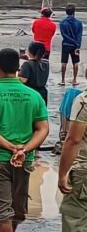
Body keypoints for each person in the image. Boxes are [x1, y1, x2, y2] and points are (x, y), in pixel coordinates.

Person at [0, 48, 49, 232]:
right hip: (24, 160)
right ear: (17, 69)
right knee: (15, 212)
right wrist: (24, 150)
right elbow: (43, 129)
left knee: (1, 213)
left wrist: (11, 147)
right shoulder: (34, 95)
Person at [59, 90, 87, 230]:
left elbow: (73, 140)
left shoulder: (84, 100)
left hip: (84, 171)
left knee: (75, 220)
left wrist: (62, 174)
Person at [60, 4, 83, 86]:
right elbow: (79, 35)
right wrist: (77, 45)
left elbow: (63, 34)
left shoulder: (62, 23)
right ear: (74, 12)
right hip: (75, 45)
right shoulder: (79, 23)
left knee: (64, 62)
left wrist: (70, 40)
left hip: (66, 44)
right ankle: (74, 79)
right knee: (76, 62)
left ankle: (62, 80)